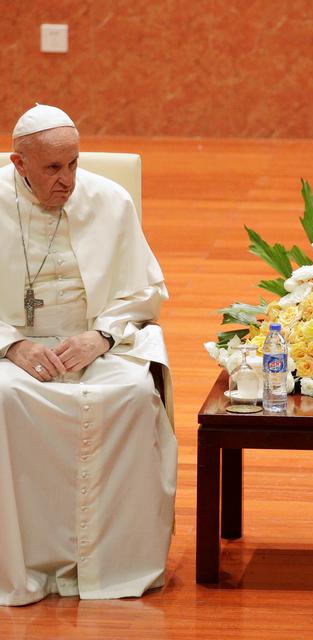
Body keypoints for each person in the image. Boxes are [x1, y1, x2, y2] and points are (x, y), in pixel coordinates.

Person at [0, 104, 177, 606]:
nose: (69, 180)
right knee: (7, 399)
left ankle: (109, 564)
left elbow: (143, 291)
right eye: (54, 168)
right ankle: (29, 562)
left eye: (74, 164)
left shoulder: (109, 199)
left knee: (130, 393)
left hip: (97, 341)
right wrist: (12, 343)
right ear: (19, 164)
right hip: (13, 346)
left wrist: (100, 336)